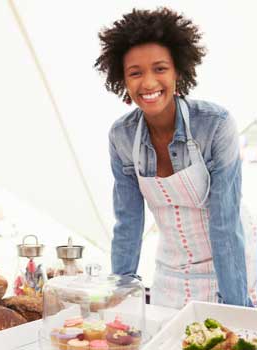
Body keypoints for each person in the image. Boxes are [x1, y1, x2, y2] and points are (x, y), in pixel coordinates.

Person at [94, 7, 257, 309]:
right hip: (171, 271)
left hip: (232, 264)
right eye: (135, 72)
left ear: (178, 72)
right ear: (123, 80)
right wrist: (118, 294)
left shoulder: (216, 124)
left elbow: (224, 221)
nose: (148, 82)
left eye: (159, 68)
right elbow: (128, 222)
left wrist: (236, 307)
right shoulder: (121, 136)